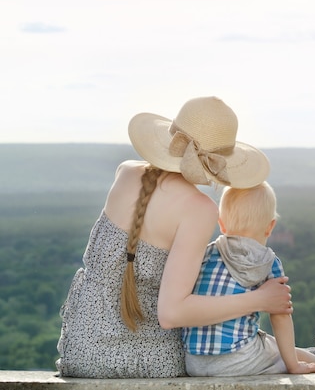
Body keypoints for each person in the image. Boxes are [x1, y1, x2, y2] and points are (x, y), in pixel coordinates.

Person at [56, 96, 293, 378]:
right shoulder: (199, 210)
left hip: (80, 351)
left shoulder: (126, 172)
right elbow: (172, 313)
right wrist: (260, 300)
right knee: (245, 350)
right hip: (151, 359)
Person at [183, 181, 315, 376]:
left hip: (194, 363)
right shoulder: (268, 262)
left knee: (267, 344)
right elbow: (280, 316)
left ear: (221, 224)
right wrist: (294, 366)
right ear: (270, 227)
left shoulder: (206, 254)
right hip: (239, 362)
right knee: (275, 348)